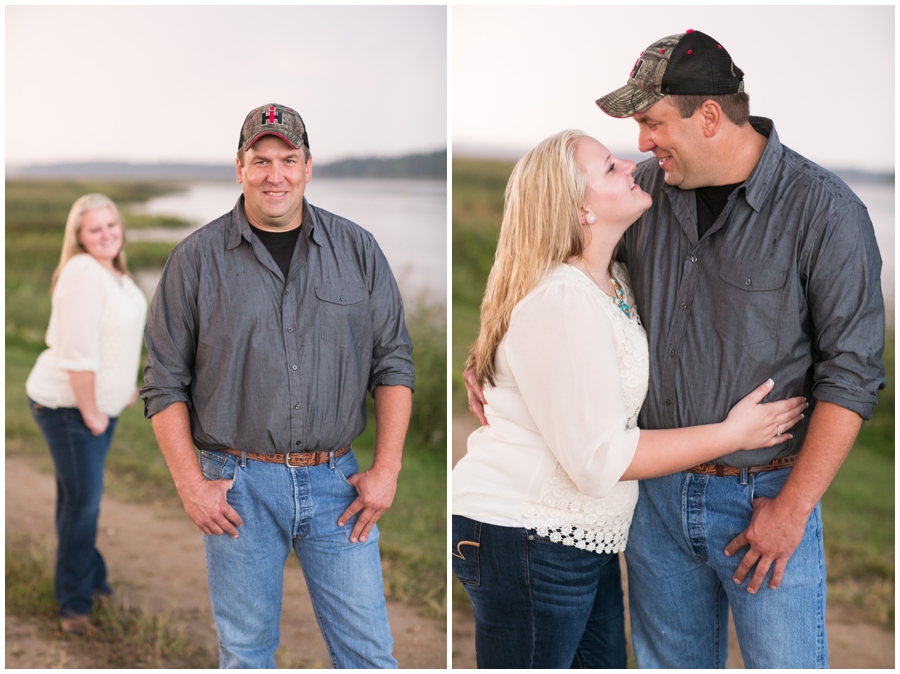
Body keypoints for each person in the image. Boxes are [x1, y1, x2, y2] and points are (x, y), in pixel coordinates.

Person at [466, 30, 886, 668]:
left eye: (652, 122)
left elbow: (852, 375)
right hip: (653, 503)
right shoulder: (644, 196)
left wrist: (794, 508)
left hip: (764, 497)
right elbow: (551, 264)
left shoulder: (824, 212)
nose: (640, 145)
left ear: (709, 116)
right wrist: (490, 351)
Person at [452, 129, 807, 669]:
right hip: (525, 535)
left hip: (581, 540)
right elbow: (598, 462)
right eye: (607, 167)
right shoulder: (563, 299)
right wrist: (730, 435)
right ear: (581, 210)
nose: (628, 162)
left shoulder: (611, 279)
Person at [140, 103, 414, 669]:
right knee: (245, 654)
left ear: (308, 166)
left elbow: (393, 363)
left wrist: (386, 469)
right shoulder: (194, 259)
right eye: (260, 160)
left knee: (369, 655)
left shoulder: (358, 250)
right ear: (239, 166)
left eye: (288, 159)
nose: (275, 175)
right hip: (236, 486)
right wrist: (191, 484)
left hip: (340, 486)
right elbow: (163, 381)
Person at [26, 194, 148, 635]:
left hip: (99, 406)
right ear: (78, 237)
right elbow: (77, 353)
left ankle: (91, 581)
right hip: (68, 407)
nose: (106, 234)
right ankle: (75, 607)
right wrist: (93, 411)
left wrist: (122, 388)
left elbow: (115, 339)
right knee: (84, 505)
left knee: (77, 501)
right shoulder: (82, 272)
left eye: (111, 226)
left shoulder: (115, 273)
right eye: (94, 229)